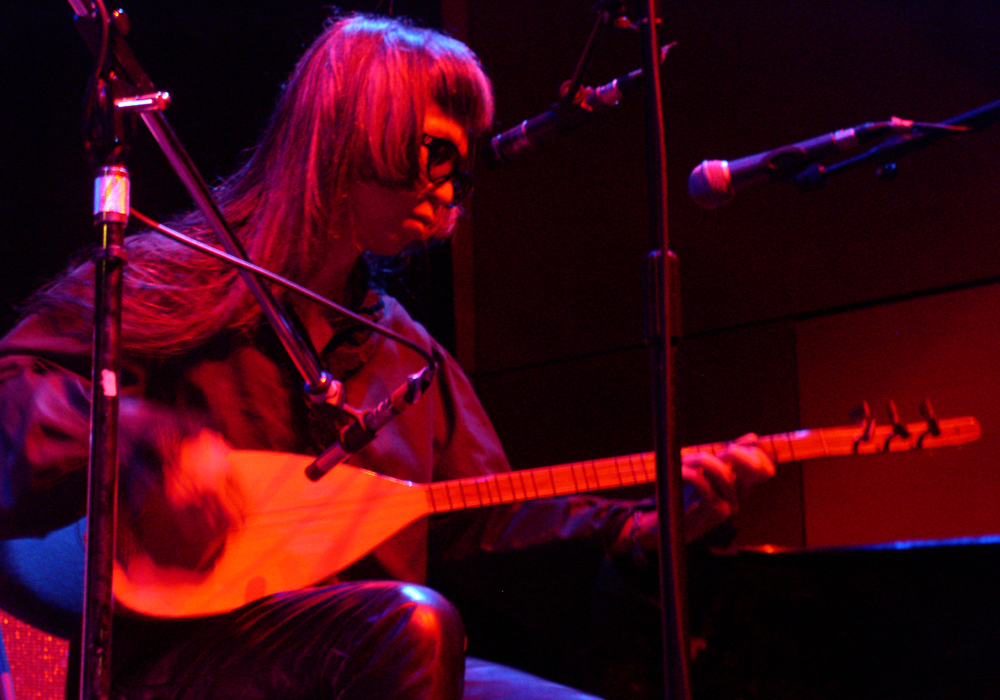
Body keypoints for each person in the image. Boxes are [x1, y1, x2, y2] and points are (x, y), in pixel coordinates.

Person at [0, 13, 774, 700]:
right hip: (184, 661)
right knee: (412, 626)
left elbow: (489, 521)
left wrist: (643, 527)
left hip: (377, 655)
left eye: (462, 168)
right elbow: (12, 397)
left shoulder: (407, 353)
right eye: (435, 152)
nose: (450, 191)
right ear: (353, 128)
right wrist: (148, 448)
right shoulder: (178, 280)